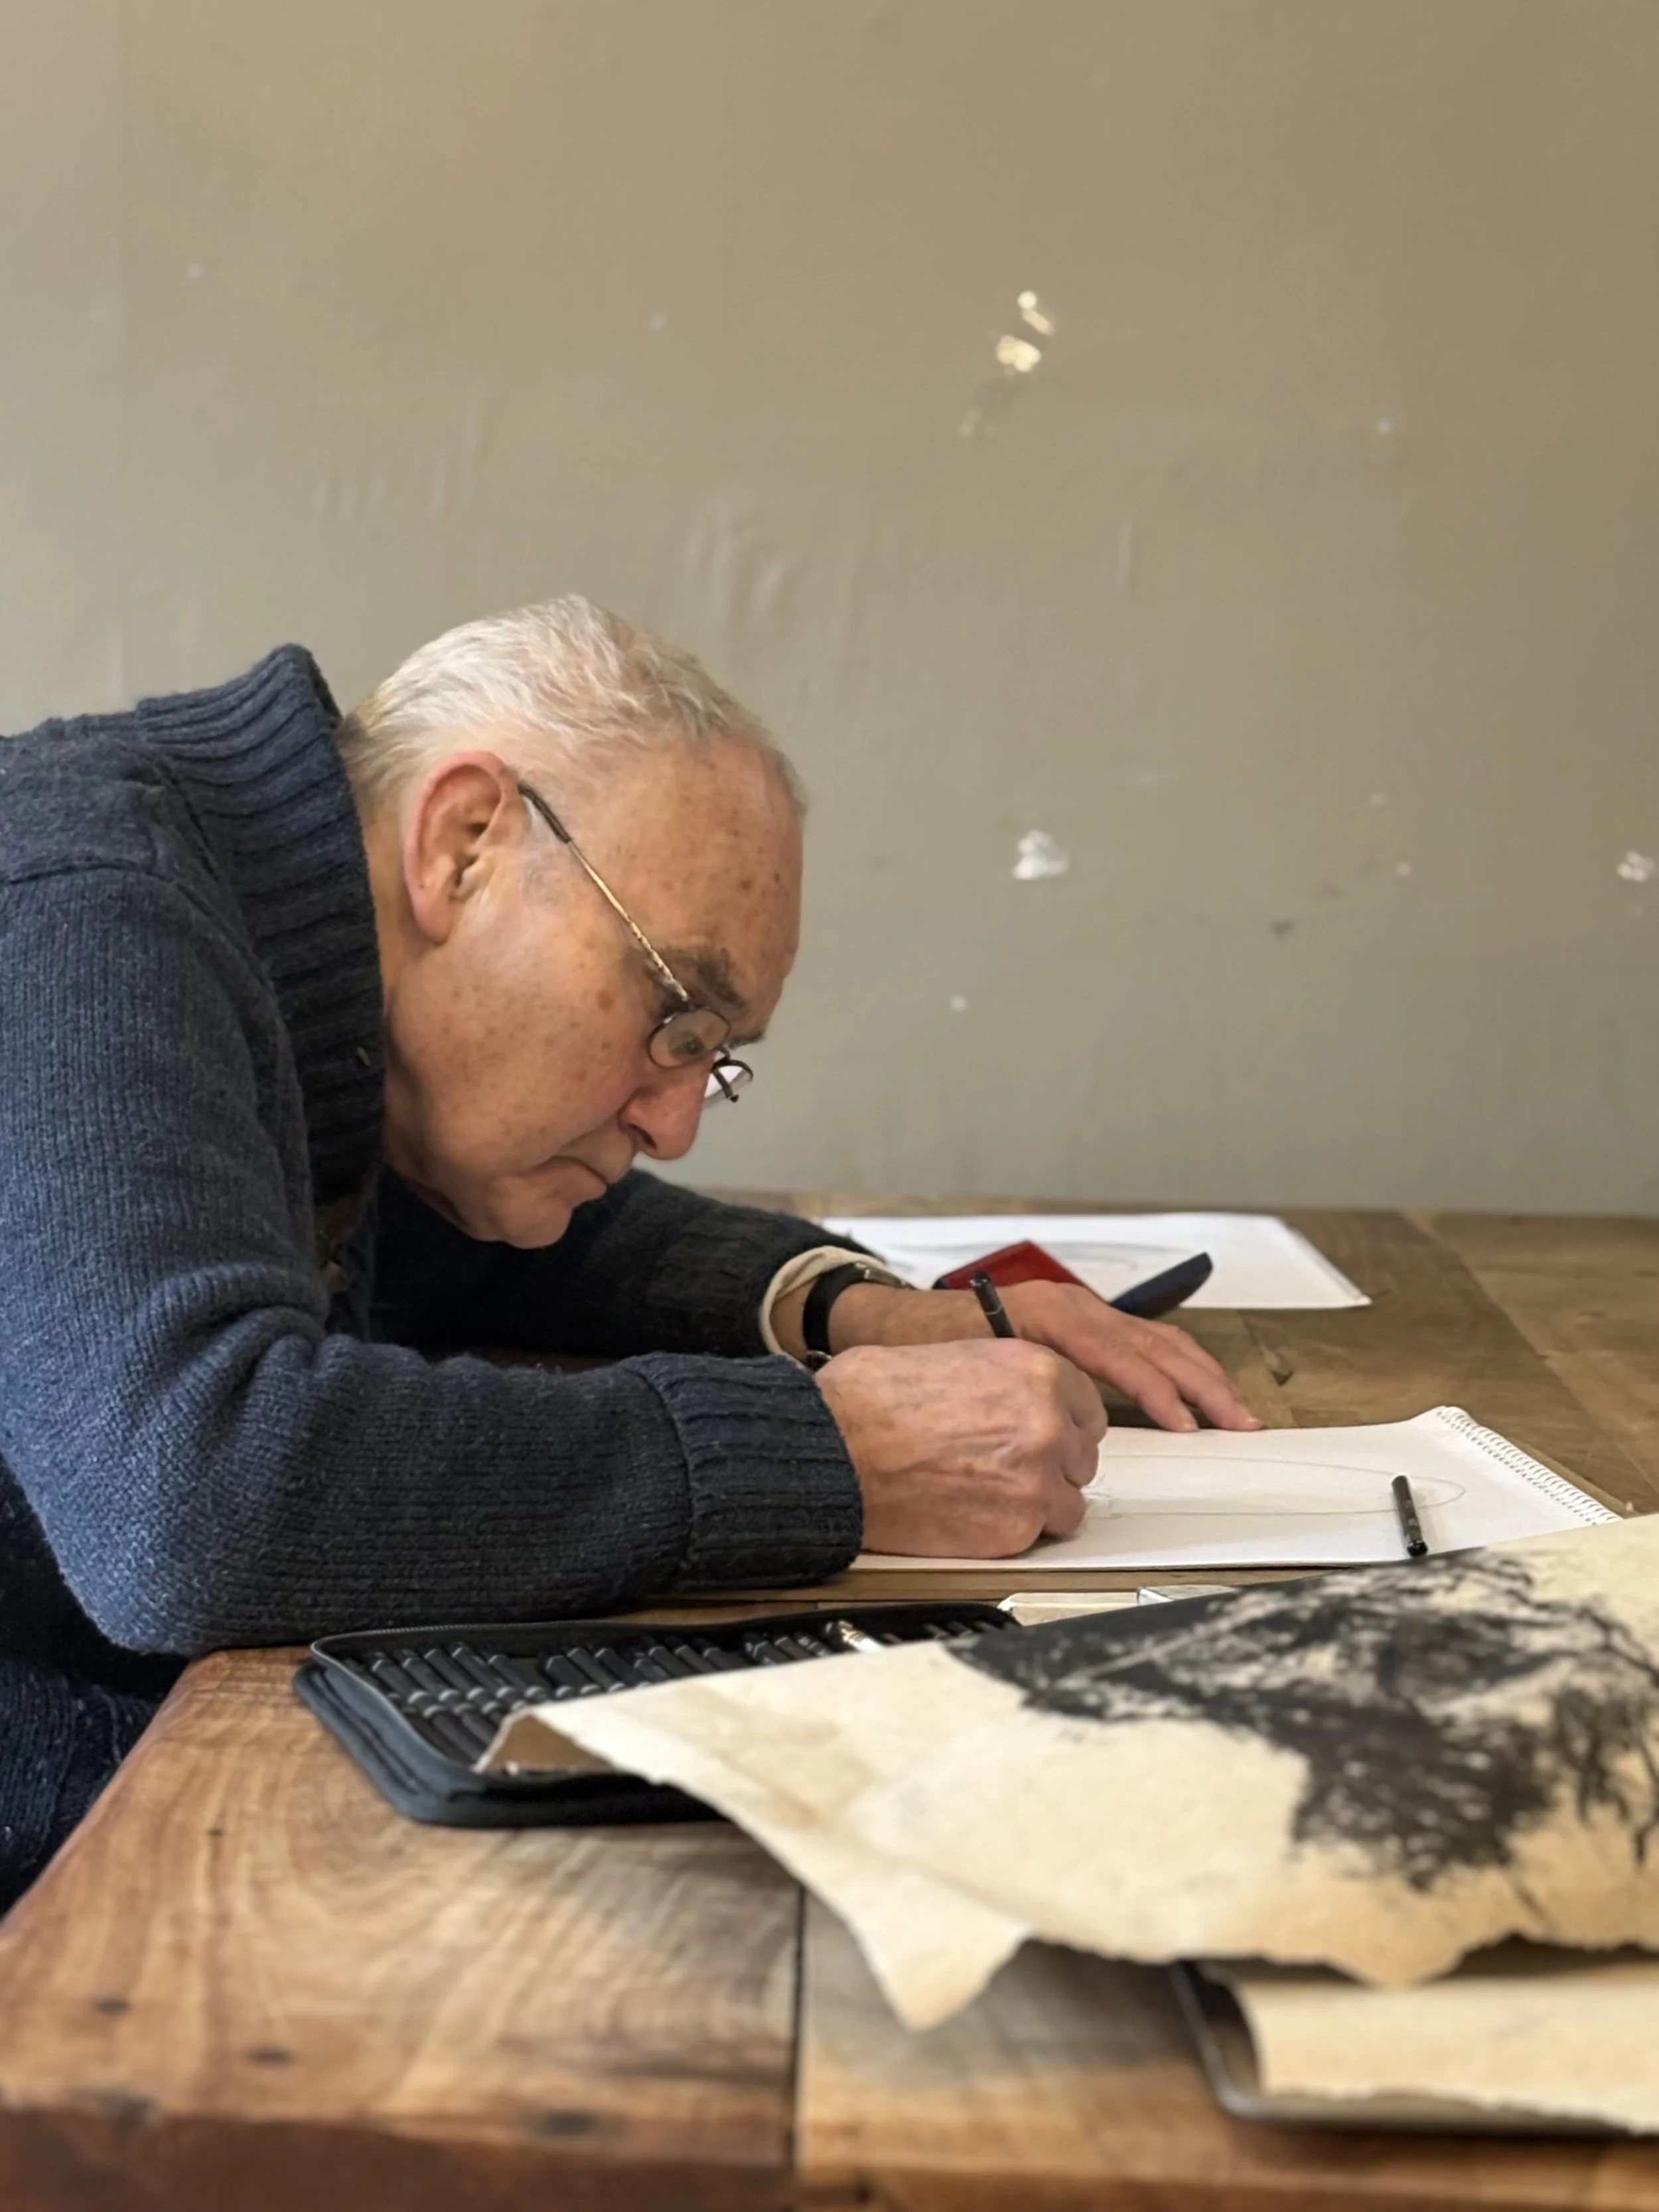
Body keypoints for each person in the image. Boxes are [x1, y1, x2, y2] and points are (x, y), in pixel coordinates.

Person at [0, 597, 1258, 1908]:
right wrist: (828, 1454)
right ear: (466, 843)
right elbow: (195, 1500)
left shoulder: (301, 954)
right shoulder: (79, 907)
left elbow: (483, 1236)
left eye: (713, 1059)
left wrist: (851, 1310)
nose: (672, 1123)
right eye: (673, 1019)